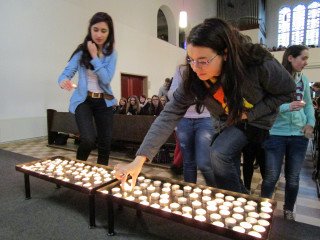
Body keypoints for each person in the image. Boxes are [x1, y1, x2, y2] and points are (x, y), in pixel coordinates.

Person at [114, 18, 296, 193]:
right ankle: (241, 195)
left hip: (257, 119)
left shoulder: (257, 63)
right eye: (191, 60)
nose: (195, 67)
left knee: (218, 153)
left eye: (203, 61)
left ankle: (236, 200)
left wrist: (251, 114)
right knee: (226, 167)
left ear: (225, 53)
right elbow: (169, 114)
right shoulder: (194, 76)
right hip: (225, 119)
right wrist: (139, 160)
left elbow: (287, 91)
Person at [261, 45, 315, 220]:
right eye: (303, 58)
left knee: (293, 178)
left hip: (299, 135)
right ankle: (264, 211)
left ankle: (289, 210)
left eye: (307, 59)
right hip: (276, 132)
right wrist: (287, 107)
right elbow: (266, 104)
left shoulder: (304, 80)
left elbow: (308, 104)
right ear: (290, 58)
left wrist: (310, 123)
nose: (306, 62)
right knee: (271, 177)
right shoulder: (275, 78)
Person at [58, 12, 116, 166]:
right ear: (90, 30)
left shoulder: (111, 54)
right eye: (95, 29)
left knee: (105, 143)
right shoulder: (80, 51)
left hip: (104, 101)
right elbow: (66, 73)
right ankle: (78, 168)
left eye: (104, 31)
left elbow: (106, 79)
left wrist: (94, 56)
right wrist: (63, 81)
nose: (99, 34)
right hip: (83, 100)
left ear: (109, 33)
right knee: (88, 140)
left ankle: (101, 177)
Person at [168, 65, 216, 186]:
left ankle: (216, 192)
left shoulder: (207, 66)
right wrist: (186, 90)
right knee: (188, 162)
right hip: (184, 118)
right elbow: (171, 94)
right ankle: (190, 193)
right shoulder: (181, 69)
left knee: (204, 162)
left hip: (205, 118)